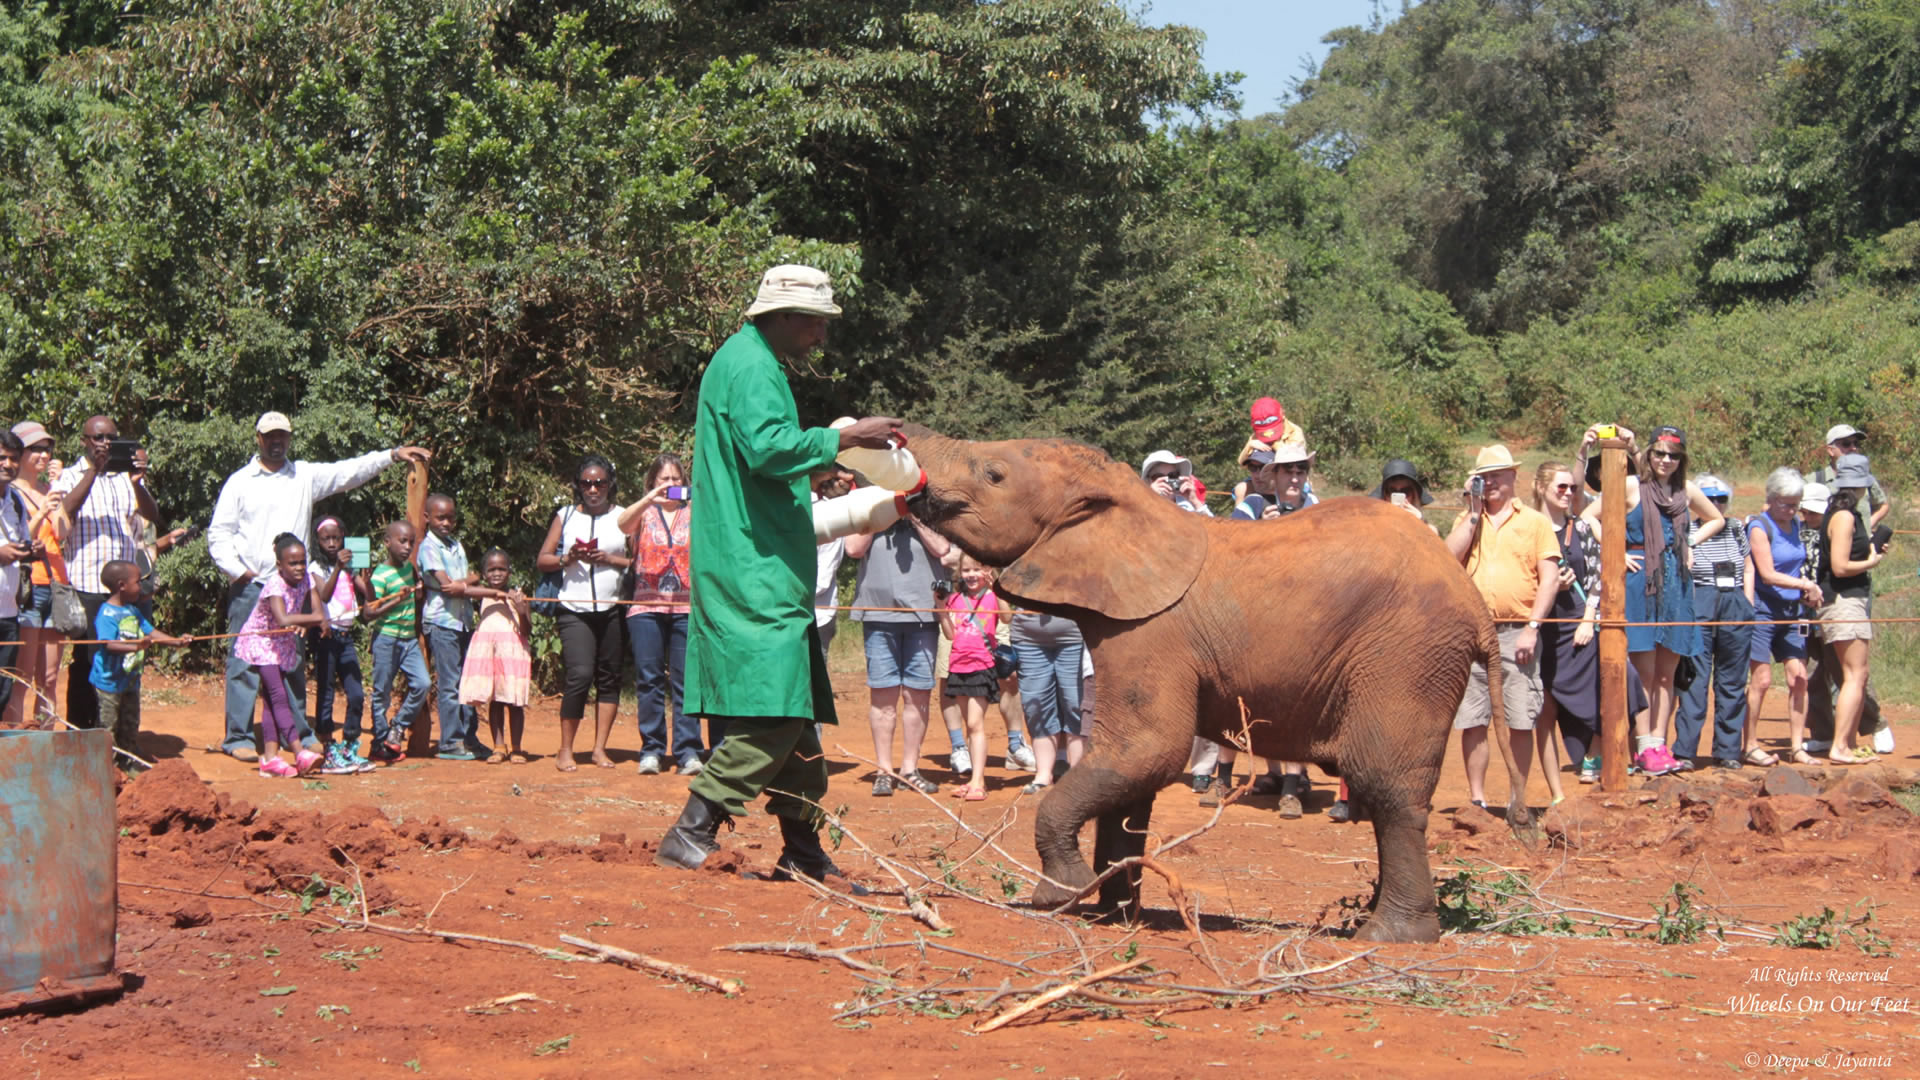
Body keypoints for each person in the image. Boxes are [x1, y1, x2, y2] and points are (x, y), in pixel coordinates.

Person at [654, 262, 899, 888]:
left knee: (795, 709)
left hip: (755, 556)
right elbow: (766, 446)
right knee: (778, 710)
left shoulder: (742, 360)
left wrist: (811, 471)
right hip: (752, 565)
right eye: (816, 323)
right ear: (785, 316)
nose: (820, 336)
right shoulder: (754, 366)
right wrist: (843, 439)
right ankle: (692, 828)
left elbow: (754, 465)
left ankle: (804, 850)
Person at [207, 410, 429, 762]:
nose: (277, 442)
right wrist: (240, 572)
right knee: (244, 662)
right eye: (270, 436)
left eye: (283, 436)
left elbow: (347, 472)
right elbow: (219, 533)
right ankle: (238, 738)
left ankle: (297, 733)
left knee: (291, 662)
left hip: (294, 587)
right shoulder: (240, 481)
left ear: (289, 439)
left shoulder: (303, 476)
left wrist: (390, 455)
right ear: (258, 439)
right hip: (252, 586)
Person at [1582, 426, 1723, 774]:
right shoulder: (1632, 486)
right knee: (1643, 672)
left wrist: (1689, 543)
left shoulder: (1686, 491)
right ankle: (1642, 745)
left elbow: (1717, 519)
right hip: (1639, 581)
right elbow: (1587, 517)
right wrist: (1613, 551)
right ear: (1649, 455)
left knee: (1667, 674)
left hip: (1676, 583)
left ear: (1682, 460)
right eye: (1659, 453)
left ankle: (1659, 743)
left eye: (1673, 455)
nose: (1666, 460)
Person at [1447, 444, 1559, 809]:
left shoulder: (1535, 523)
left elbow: (1550, 578)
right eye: (1483, 477)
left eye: (1497, 475)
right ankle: (1477, 799)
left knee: (1520, 717)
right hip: (1472, 631)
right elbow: (1448, 558)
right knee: (1472, 717)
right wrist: (1473, 513)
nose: (1490, 482)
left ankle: (1517, 799)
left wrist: (1532, 627)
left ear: (1514, 477)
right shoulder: (1467, 520)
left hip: (1517, 632)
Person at [1216, 443, 1317, 815]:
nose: (1294, 478)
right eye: (1287, 471)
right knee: (1235, 695)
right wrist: (1264, 533)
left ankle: (1291, 787)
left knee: (1297, 703)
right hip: (1254, 621)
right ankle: (1222, 778)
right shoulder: (1253, 508)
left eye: (1300, 471)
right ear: (1273, 476)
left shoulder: (1317, 512)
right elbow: (1229, 550)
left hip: (1301, 625)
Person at [53, 415, 159, 732]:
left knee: (126, 659)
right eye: (98, 438)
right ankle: (81, 734)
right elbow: (65, 513)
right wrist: (93, 472)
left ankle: (120, 739)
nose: (105, 443)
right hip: (87, 584)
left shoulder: (125, 479)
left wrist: (138, 483)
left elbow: (152, 516)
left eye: (111, 437)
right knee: (87, 661)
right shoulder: (70, 477)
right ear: (84, 441)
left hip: (125, 589)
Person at [536, 455, 633, 772]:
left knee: (610, 677)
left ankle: (599, 749)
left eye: (600, 483)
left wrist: (609, 559)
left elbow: (641, 562)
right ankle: (566, 749)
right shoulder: (565, 516)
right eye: (586, 483)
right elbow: (543, 559)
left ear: (610, 485)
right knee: (579, 675)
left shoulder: (624, 518)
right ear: (577, 486)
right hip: (573, 607)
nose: (593, 489)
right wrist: (568, 558)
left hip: (612, 607)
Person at [848, 511, 951, 795]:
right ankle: (884, 770)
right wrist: (885, 511)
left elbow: (943, 549)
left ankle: (909, 769)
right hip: (878, 616)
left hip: (924, 616)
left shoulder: (929, 510)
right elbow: (853, 549)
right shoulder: (871, 508)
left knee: (917, 696)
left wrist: (915, 516)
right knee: (883, 697)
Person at [615, 453, 696, 775]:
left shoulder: (695, 511)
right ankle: (651, 749)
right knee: (648, 680)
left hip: (686, 606)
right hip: (645, 606)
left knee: (685, 681)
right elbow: (622, 524)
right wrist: (651, 497)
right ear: (652, 482)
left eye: (676, 478)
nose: (671, 484)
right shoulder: (643, 512)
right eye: (664, 479)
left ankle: (688, 750)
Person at [1672, 475, 1755, 770]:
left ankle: (1728, 751)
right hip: (1701, 601)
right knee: (1695, 679)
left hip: (1733, 601)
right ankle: (1685, 751)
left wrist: (1748, 602)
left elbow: (1747, 565)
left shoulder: (1735, 529)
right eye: (1710, 500)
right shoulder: (1689, 530)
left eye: (1721, 500)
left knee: (1732, 680)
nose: (1717, 505)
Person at [231, 533, 329, 778]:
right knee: (278, 694)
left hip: (282, 642)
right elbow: (285, 618)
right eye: (292, 563)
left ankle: (270, 758)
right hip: (262, 641)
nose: (299, 568)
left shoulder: (307, 579)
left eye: (302, 562)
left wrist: (311, 619)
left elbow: (317, 609)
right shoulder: (274, 584)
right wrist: (313, 620)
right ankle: (298, 752)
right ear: (279, 566)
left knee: (270, 700)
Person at [1747, 468, 1820, 766]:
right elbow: (1767, 573)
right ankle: (1750, 744)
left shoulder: (1795, 525)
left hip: (1793, 611)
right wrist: (1805, 584)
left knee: (1799, 678)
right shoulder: (1759, 526)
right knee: (1762, 680)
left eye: (1796, 504)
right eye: (1786, 504)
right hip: (1764, 610)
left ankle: (1797, 746)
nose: (1792, 510)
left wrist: (1807, 588)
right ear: (1772, 499)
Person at [1817, 454, 1887, 765]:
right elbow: (1840, 566)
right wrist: (1871, 562)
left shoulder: (1846, 513)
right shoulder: (1844, 516)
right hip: (1844, 600)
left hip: (1850, 600)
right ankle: (1839, 747)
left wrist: (1870, 547)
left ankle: (1847, 742)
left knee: (1857, 674)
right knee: (1854, 674)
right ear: (1862, 485)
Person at [88, 559, 189, 768]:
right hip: (108, 683)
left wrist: (176, 641)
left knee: (130, 722)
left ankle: (129, 759)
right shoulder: (106, 614)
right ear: (121, 585)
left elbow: (150, 631)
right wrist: (137, 647)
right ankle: (108, 768)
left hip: (130, 681)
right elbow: (108, 644)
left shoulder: (132, 611)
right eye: (137, 582)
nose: (141, 587)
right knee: (108, 725)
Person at [417, 492, 494, 760]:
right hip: (442, 622)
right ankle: (450, 742)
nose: (446, 523)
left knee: (467, 683)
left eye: (450, 518)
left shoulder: (455, 545)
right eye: (440, 518)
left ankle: (469, 738)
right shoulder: (429, 548)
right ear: (427, 518)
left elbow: (460, 582)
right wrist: (472, 579)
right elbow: (448, 586)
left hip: (462, 622)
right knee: (450, 684)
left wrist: (466, 582)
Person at [7, 421, 67, 729]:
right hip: (29, 588)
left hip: (56, 586)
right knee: (23, 676)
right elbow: (19, 540)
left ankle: (46, 743)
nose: (44, 456)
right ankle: (18, 745)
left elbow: (64, 533)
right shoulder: (11, 493)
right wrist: (42, 511)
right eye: (36, 449)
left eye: (47, 449)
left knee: (50, 676)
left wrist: (56, 491)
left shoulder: (48, 490)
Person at [309, 517, 374, 775]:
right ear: (319, 541)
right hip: (327, 637)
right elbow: (324, 594)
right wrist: (337, 567)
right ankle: (327, 749)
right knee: (325, 693)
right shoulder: (317, 566)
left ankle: (349, 745)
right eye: (327, 539)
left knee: (356, 693)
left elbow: (369, 596)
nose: (333, 543)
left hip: (346, 636)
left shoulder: (349, 568)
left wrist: (366, 579)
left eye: (337, 538)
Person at [458, 549, 532, 765]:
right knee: (496, 701)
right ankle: (499, 747)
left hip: (512, 653)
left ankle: (517, 748)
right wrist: (491, 591)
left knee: (514, 702)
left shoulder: (518, 595)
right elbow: (464, 589)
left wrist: (520, 608)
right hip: (489, 652)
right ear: (484, 573)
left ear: (509, 572)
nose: (497, 574)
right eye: (491, 570)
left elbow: (527, 629)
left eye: (501, 569)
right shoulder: (481, 593)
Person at [364, 521, 428, 763]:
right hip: (387, 639)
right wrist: (397, 600)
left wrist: (418, 592)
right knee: (381, 692)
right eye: (402, 541)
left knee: (422, 684)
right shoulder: (379, 576)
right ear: (387, 542)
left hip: (408, 639)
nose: (407, 547)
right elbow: (369, 613)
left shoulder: (410, 570)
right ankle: (378, 744)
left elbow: (417, 597)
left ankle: (397, 727)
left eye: (411, 542)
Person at [939, 555, 1002, 801]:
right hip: (958, 665)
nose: (971, 574)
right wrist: (941, 609)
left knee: (976, 724)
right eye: (966, 570)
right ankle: (975, 778)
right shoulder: (955, 599)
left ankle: (978, 781)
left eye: (977, 569)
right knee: (969, 725)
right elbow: (949, 634)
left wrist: (996, 586)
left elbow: (1006, 617)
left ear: (987, 570)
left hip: (982, 665)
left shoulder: (992, 596)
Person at [1011, 607, 1087, 795]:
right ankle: (1043, 775)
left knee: (1076, 705)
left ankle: (1079, 776)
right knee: (1036, 706)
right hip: (1027, 638)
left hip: (1074, 637)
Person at [0, 432, 30, 724]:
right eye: (2, 457)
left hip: (8, 612)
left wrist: (31, 551)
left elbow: (22, 541)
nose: (8, 464)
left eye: (13, 459)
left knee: (2, 689)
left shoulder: (16, 500)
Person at [1811, 425, 1889, 528]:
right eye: (1846, 444)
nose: (1853, 448)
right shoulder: (1815, 480)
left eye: (1856, 443)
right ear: (1830, 450)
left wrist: (1868, 526)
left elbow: (1883, 505)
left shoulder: (1865, 479)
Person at [1141, 451, 1212, 515]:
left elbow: (1213, 527)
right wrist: (1152, 498)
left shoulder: (1188, 505)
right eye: (1158, 477)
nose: (1167, 480)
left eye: (1172, 475)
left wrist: (1195, 501)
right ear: (1148, 481)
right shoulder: (1141, 507)